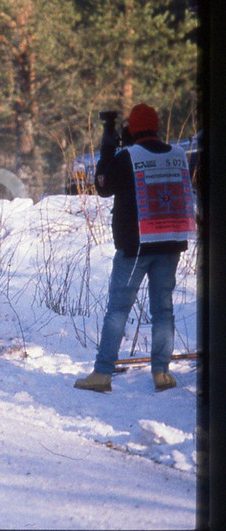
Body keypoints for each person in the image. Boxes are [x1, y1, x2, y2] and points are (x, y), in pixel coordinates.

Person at [75, 103, 196, 393]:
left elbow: (103, 186)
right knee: (163, 310)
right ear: (155, 126)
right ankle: (161, 372)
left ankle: (102, 374)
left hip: (135, 248)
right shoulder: (178, 155)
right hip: (170, 243)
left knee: (118, 310)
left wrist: (108, 150)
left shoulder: (129, 156)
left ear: (134, 128)